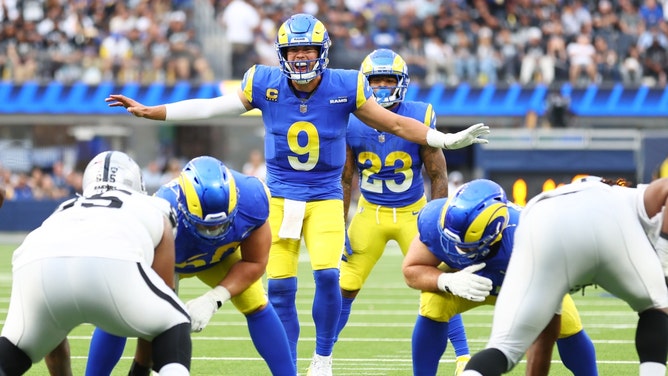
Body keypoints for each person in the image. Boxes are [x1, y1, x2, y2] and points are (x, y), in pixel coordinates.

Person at [104, 13, 489, 375]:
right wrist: (156, 111)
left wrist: (443, 138)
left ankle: (322, 358)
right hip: (281, 198)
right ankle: (287, 365)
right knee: (280, 288)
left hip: (323, 197)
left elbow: (394, 123)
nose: (301, 57)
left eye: (307, 50)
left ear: (322, 53)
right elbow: (212, 107)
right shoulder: (263, 82)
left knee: (327, 276)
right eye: (294, 51)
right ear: (282, 54)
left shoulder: (347, 85)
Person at [85, 156, 295, 376]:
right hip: (171, 257)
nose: (214, 233)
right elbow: (159, 293)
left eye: (221, 225)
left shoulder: (253, 198)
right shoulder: (162, 212)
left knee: (256, 302)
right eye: (206, 227)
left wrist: (214, 299)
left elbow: (255, 262)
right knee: (119, 308)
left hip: (221, 256)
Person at [337, 48, 471, 375]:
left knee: (438, 282)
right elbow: (345, 177)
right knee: (344, 285)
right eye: (376, 80)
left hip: (414, 212)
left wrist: (438, 221)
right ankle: (321, 356)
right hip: (370, 213)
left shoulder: (420, 114)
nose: (382, 86)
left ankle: (464, 357)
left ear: (402, 83)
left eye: (389, 80)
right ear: (365, 84)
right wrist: (339, 226)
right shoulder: (352, 119)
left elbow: (437, 175)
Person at [0, 150, 191, 376]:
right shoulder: (154, 207)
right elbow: (158, 310)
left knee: (14, 351)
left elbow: (53, 343)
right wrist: (139, 372)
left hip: (35, 260)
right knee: (174, 322)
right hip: (112, 261)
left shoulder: (65, 208)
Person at [462, 177, 668, 376]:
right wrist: (664, 249)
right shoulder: (629, 197)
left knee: (503, 348)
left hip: (540, 220)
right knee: (656, 307)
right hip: (610, 217)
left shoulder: (563, 198)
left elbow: (546, 336)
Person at [402, 179, 598, 376]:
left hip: (525, 283)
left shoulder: (528, 238)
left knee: (568, 325)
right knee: (433, 302)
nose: (455, 250)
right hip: (467, 279)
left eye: (465, 246)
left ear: (494, 232)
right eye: (450, 241)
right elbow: (411, 269)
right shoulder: (434, 221)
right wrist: (446, 281)